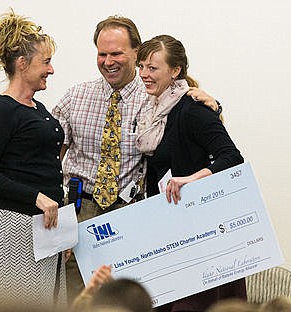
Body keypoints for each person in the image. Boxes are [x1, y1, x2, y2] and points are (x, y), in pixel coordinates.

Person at [52, 15, 220, 303]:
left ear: (136, 53)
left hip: (131, 213)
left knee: (129, 301)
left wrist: (215, 107)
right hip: (81, 212)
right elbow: (49, 155)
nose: (108, 61)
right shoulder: (75, 96)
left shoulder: (158, 96)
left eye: (116, 53)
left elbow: (195, 131)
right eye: (102, 54)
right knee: (80, 299)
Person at [135, 34, 245, 311]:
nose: (144, 75)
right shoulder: (150, 110)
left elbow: (232, 158)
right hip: (168, 230)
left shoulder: (193, 109)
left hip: (201, 237)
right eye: (142, 67)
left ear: (175, 71)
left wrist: (192, 179)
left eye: (153, 68)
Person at [0, 10, 66, 308]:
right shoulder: (1, 110)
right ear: (22, 64)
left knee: (50, 301)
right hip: (14, 224)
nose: (51, 69)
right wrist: (36, 196)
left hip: (45, 222)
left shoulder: (37, 107)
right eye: (46, 62)